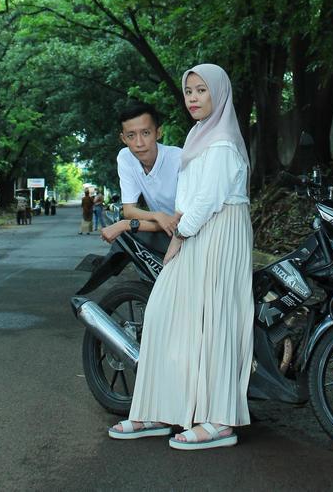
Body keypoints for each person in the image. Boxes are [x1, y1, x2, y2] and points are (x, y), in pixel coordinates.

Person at [104, 63, 253, 451]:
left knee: (215, 323)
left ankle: (219, 421)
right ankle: (158, 410)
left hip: (219, 233)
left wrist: (180, 234)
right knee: (163, 314)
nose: (193, 99)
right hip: (195, 232)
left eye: (201, 91)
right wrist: (180, 232)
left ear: (218, 93)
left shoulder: (222, 142)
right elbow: (188, 197)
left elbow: (208, 199)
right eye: (189, 92)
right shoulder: (198, 135)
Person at [116, 100, 182, 243]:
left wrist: (124, 225)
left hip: (195, 235)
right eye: (131, 136)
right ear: (123, 138)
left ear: (158, 133)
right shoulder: (125, 157)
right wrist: (157, 216)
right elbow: (129, 210)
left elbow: (181, 222)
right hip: (166, 234)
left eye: (145, 133)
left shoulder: (180, 160)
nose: (139, 143)